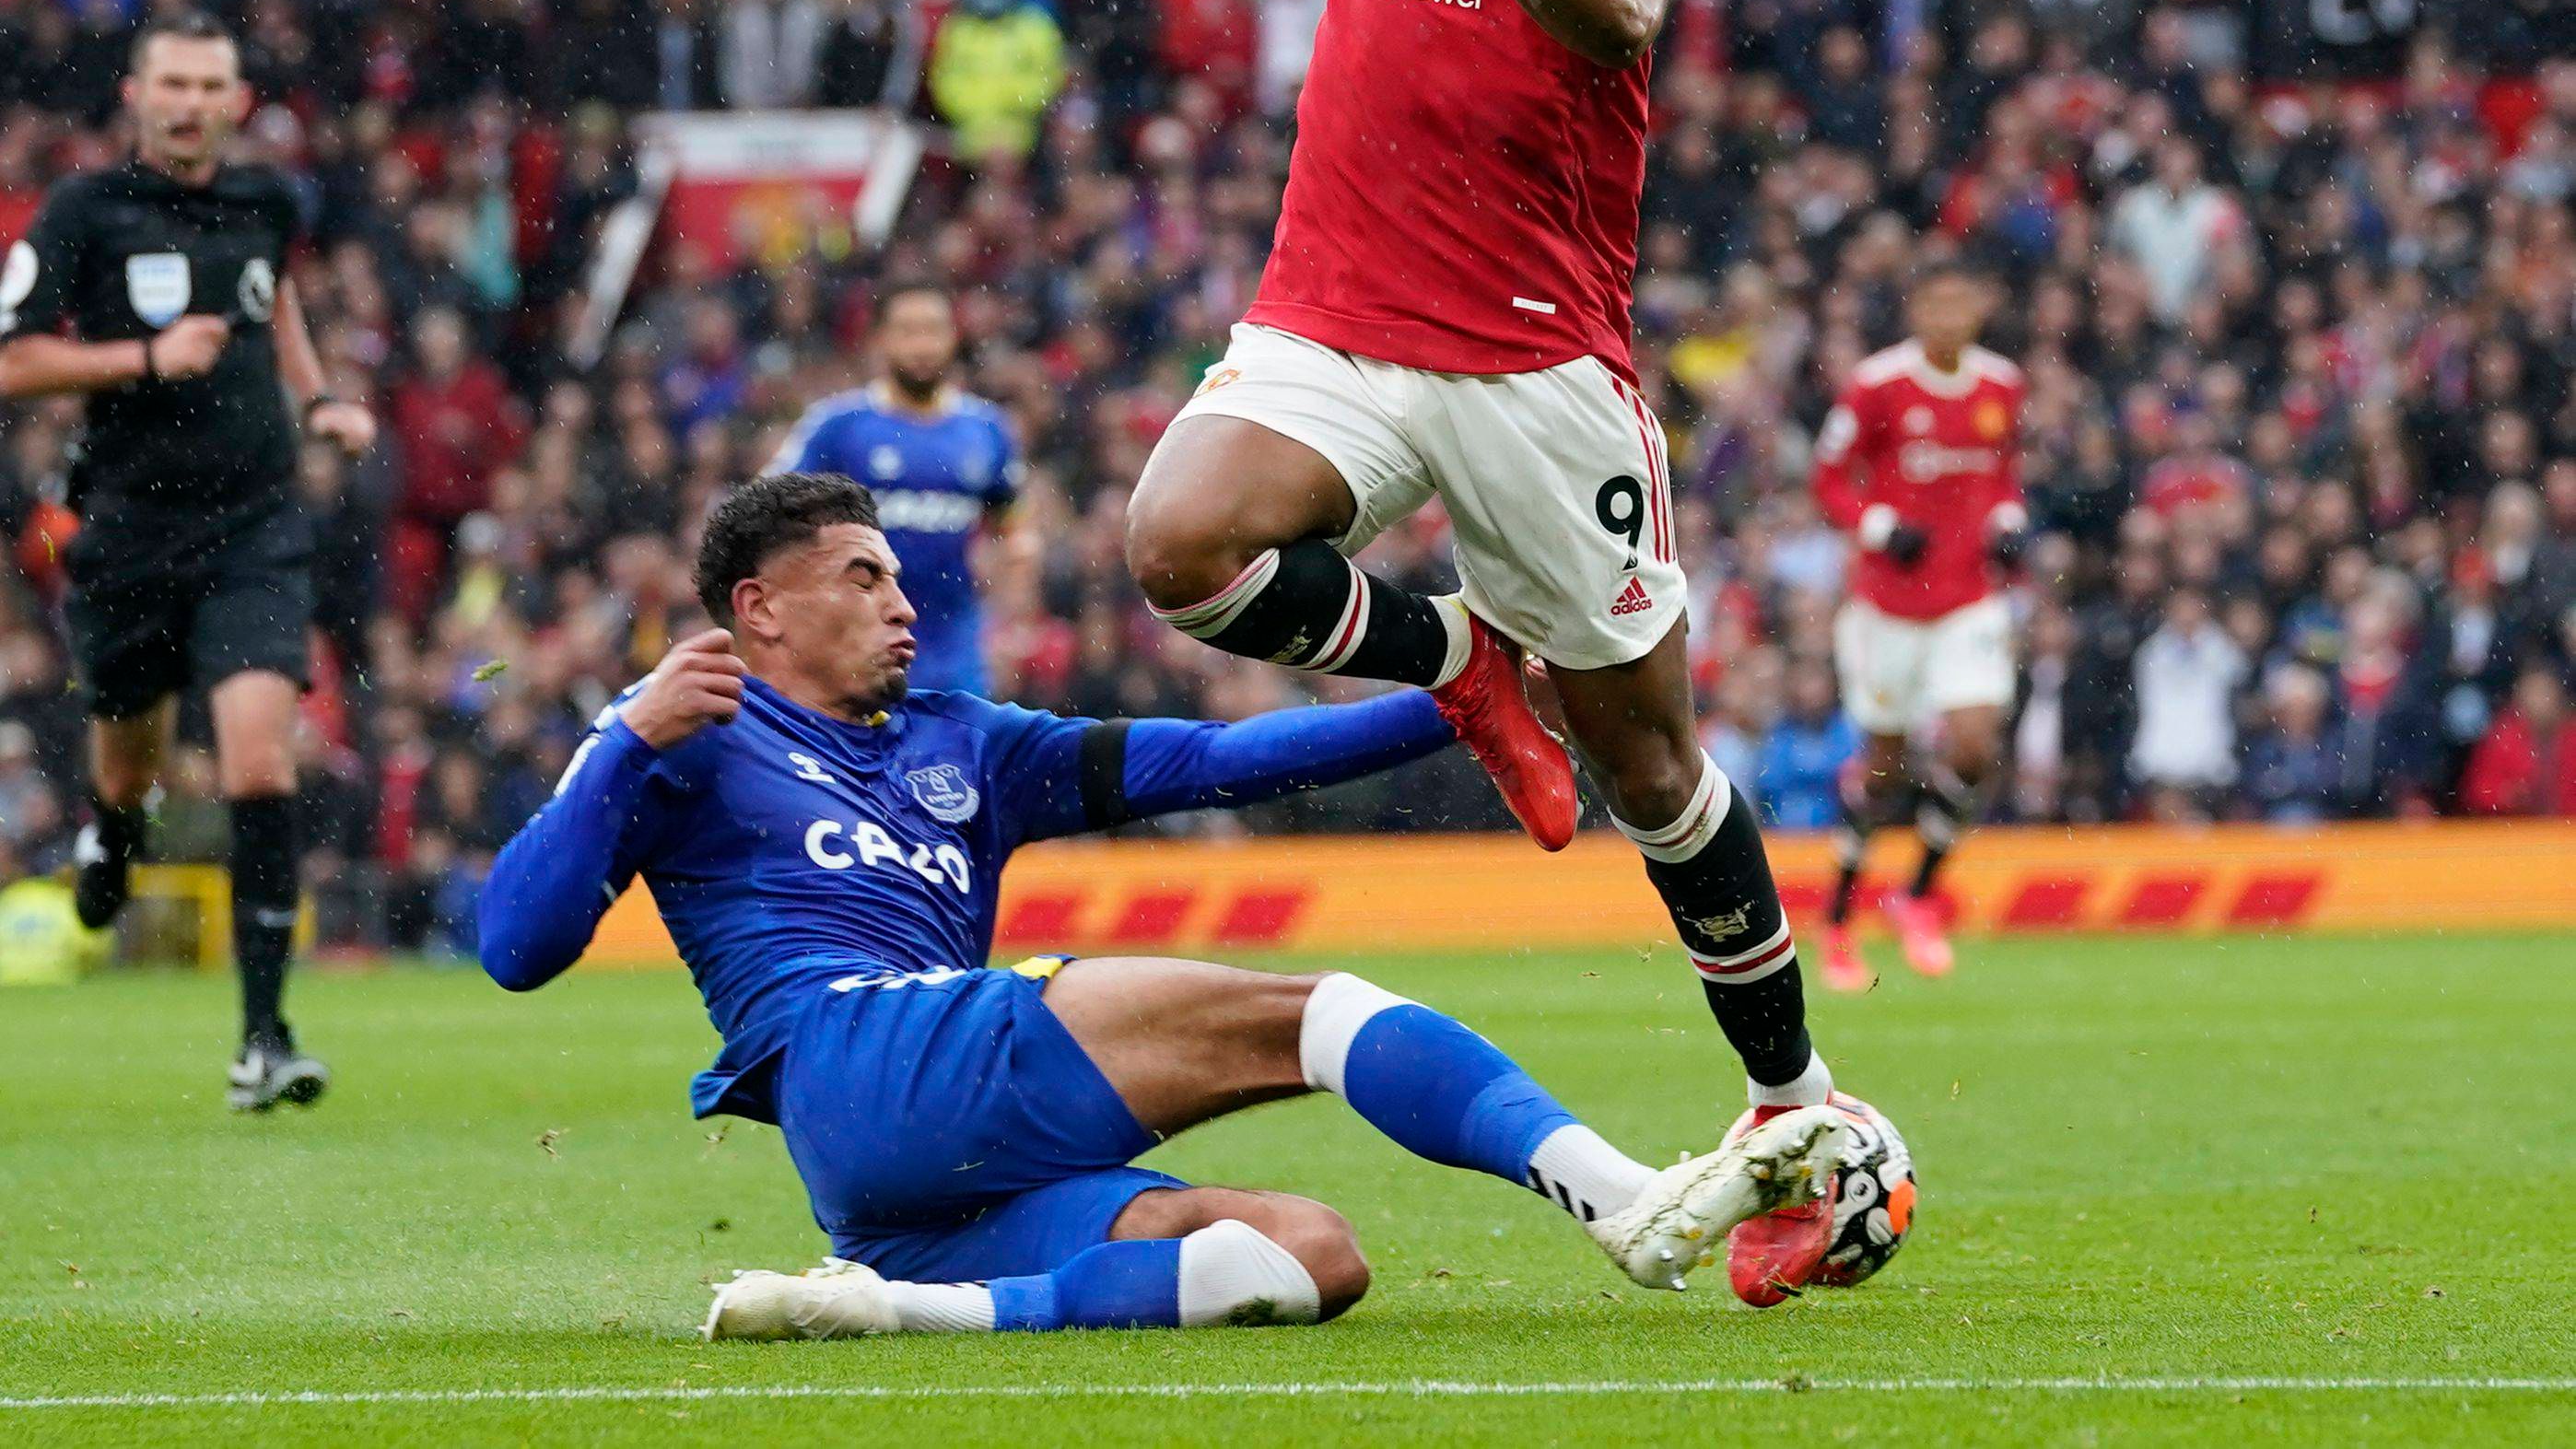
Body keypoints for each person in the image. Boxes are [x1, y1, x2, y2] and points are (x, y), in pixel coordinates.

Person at [1121, 0, 1838, 1305]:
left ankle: (1793, 1106)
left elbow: (1617, 20)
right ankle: (1455, 657)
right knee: (1178, 545)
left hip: (1529, 363)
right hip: (1333, 320)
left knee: (1652, 770)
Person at [478, 473, 1847, 1339]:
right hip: (852, 1051)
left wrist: (1454, 701)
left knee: (1301, 1258)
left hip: (904, 1187)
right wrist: (619, 738)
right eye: (866, 577)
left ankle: (903, 1307)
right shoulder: (691, 741)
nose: (907, 600)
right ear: (757, 611)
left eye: (899, 574)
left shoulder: (963, 740)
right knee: (1317, 1013)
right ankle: (1628, 1206)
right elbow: (516, 949)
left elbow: (1212, 760)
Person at [0, 17, 374, 1108]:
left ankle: (265, 1035)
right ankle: (110, 834)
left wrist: (321, 398)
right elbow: (13, 356)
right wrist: (146, 357)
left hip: (255, 525)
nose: (189, 101)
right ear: (137, 91)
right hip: (127, 530)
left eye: (209, 83)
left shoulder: (266, 202)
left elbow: (277, 301)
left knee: (263, 763)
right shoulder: (84, 210)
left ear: (236, 96)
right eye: (172, 81)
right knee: (131, 768)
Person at [1811, 257, 2026, 990]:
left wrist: (2007, 519)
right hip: (1889, 606)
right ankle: (1840, 914)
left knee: (1973, 742)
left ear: (1977, 309)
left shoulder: (2001, 383)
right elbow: (1829, 475)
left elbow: (2003, 472)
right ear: (1915, 311)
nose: (1948, 318)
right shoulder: (1879, 385)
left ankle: (1918, 893)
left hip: (1968, 597)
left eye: (1961, 303)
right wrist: (1877, 527)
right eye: (1935, 304)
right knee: (1884, 767)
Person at [766, 286, 1023, 695]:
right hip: (854, 639)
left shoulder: (987, 430)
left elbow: (1014, 531)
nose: (922, 345)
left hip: (954, 644)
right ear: (881, 339)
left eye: (933, 330)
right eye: (908, 331)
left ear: (954, 337)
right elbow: (768, 513)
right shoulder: (838, 427)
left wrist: (1011, 623)